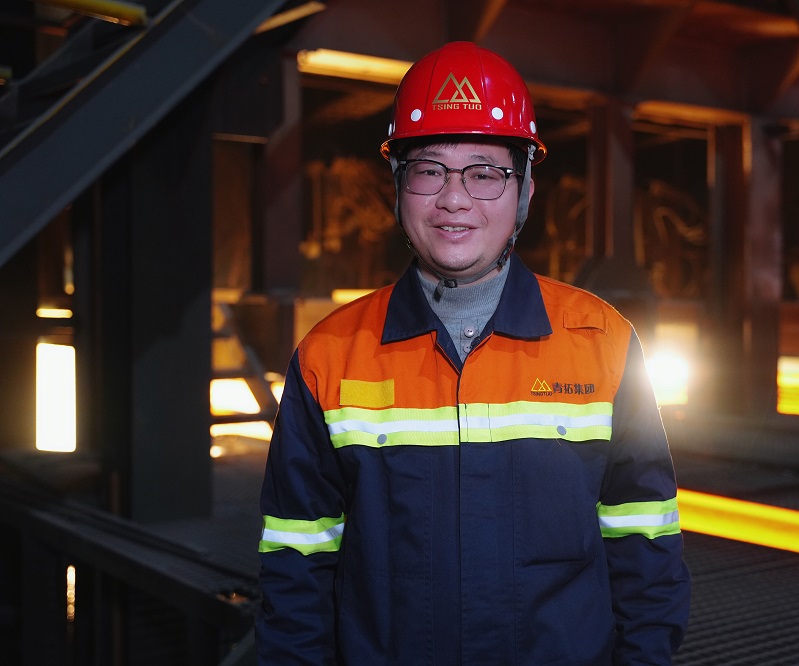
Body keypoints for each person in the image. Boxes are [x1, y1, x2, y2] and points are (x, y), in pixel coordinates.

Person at [255, 41, 691, 665]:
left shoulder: (604, 344)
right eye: (429, 170)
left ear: (525, 188)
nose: (454, 199)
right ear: (398, 186)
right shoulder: (330, 357)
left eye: (485, 172)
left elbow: (646, 549)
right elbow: (295, 568)